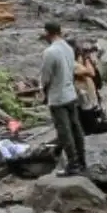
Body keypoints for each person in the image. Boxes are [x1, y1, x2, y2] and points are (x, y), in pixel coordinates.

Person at [40, 21, 84, 175]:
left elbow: (46, 77)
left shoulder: (50, 52)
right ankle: (82, 161)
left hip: (57, 97)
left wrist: (42, 92)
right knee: (76, 129)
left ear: (48, 32)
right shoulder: (68, 48)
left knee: (65, 132)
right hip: (70, 93)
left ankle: (73, 165)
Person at [73, 41, 105, 134]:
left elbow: (100, 53)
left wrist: (89, 57)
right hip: (82, 96)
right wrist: (86, 58)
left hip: (89, 93)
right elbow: (91, 73)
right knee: (87, 120)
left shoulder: (81, 60)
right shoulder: (73, 64)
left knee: (93, 115)